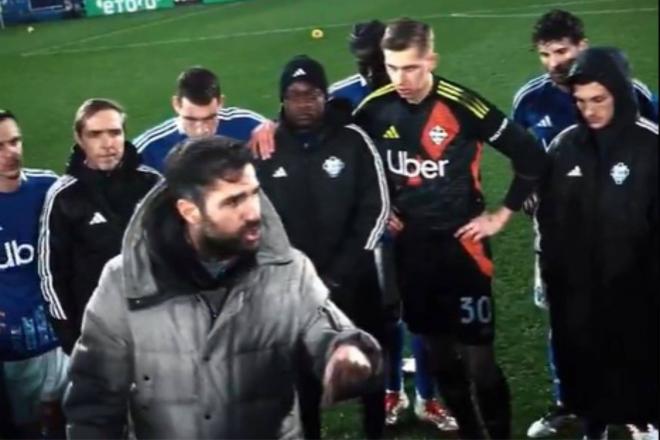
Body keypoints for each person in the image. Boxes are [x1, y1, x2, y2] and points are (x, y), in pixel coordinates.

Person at [63, 136, 383, 439]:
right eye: (233, 201)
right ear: (189, 211)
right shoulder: (124, 281)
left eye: (254, 193)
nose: (253, 212)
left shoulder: (287, 270)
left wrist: (345, 349)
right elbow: (94, 398)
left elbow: (323, 326)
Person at [353, 18, 547, 439]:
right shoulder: (372, 109)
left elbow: (529, 154)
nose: (400, 79)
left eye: (411, 68)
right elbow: (353, 164)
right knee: (439, 357)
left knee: (480, 362)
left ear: (431, 60)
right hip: (411, 251)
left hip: (464, 249)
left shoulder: (463, 105)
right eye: (392, 67)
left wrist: (501, 214)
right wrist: (379, 207)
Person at [512, 11, 659, 437]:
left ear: (582, 46)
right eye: (545, 53)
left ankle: (641, 412)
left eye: (562, 51)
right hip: (567, 241)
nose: (554, 61)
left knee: (634, 326)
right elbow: (525, 162)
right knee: (567, 322)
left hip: (629, 242)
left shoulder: (638, 108)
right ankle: (571, 403)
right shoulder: (533, 105)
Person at [257, 54, 389, 439]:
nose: (304, 103)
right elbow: (258, 221)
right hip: (295, 292)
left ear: (326, 96)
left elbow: (376, 208)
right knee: (304, 380)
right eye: (295, 95)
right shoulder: (265, 149)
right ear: (282, 99)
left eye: (313, 94)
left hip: (356, 283)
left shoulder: (353, 140)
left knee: (369, 369)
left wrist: (340, 274)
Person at [39, 98, 161, 355]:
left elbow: (178, 251)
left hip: (155, 325)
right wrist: (72, 340)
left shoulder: (152, 184)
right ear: (80, 138)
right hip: (99, 333)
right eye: (95, 134)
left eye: (115, 133)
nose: (107, 144)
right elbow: (51, 274)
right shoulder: (64, 196)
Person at [0, 110, 67, 438]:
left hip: (62, 337)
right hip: (13, 350)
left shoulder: (49, 187)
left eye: (14, 141)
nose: (10, 152)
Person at [135, 66, 267, 172]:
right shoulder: (149, 149)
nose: (201, 130)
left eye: (210, 118)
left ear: (221, 102)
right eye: (191, 119)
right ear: (176, 104)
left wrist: (272, 126)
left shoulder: (249, 125)